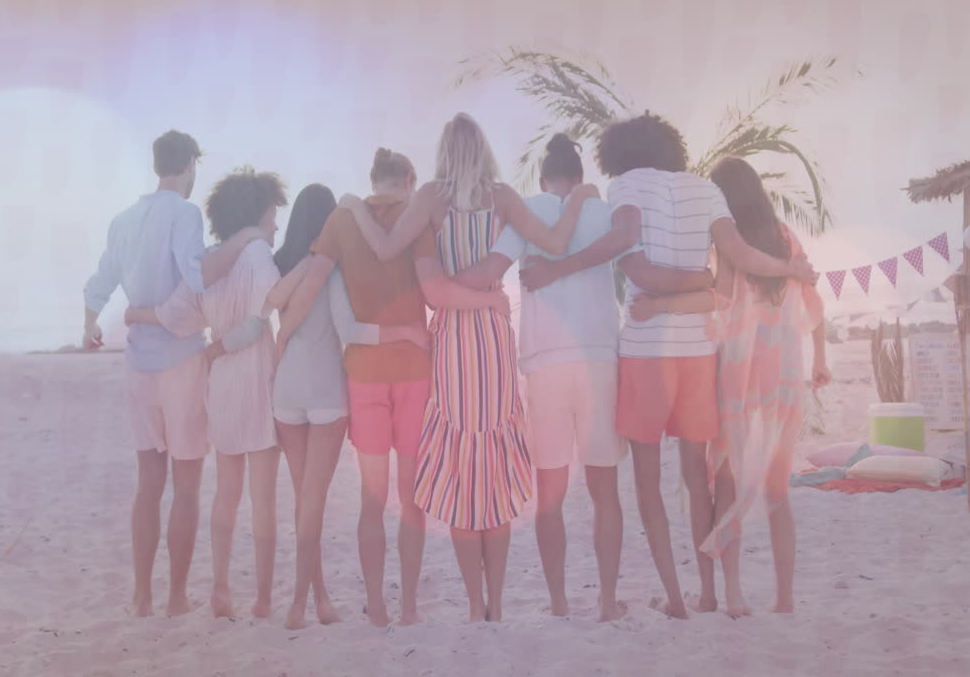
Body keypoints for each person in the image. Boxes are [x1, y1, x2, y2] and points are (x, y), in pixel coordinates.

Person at [522, 113, 817, 618]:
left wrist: (562, 269)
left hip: (646, 352)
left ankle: (677, 600)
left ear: (618, 153)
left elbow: (634, 265)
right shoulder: (705, 190)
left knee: (647, 484)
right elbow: (739, 253)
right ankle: (708, 592)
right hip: (697, 354)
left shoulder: (626, 186)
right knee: (697, 477)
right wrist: (779, 269)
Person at [342, 114, 594, 622]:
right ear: (483, 150)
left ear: (443, 151)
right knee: (493, 472)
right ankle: (496, 605)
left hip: (454, 341)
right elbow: (555, 241)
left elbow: (386, 247)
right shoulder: (502, 196)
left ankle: (477, 606)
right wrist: (582, 198)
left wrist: (351, 205)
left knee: (463, 473)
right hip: (493, 342)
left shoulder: (431, 197)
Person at [450, 134, 703, 621]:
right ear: (580, 178)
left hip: (543, 360)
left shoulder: (525, 209)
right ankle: (607, 602)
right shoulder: (604, 208)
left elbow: (492, 270)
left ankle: (560, 602)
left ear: (544, 178)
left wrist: (439, 283)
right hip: (598, 357)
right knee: (603, 489)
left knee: (551, 493)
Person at [632, 157, 829, 616]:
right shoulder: (784, 238)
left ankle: (734, 594)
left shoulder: (726, 241)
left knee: (725, 481)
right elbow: (813, 300)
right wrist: (819, 359)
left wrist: (660, 305)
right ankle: (784, 598)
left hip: (737, 378)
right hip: (782, 378)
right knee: (778, 491)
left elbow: (715, 299)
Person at [82, 130, 261, 618]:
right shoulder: (185, 213)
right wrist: (244, 239)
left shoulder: (123, 220)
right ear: (190, 166)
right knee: (186, 485)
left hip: (137, 365)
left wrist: (90, 321)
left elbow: (100, 281)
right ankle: (177, 597)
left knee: (148, 482)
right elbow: (197, 273)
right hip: (180, 362)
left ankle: (142, 596)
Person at [275, 148, 443, 627]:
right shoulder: (419, 219)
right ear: (409, 179)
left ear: (372, 181)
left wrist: (281, 333)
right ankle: (409, 606)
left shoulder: (342, 221)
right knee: (411, 496)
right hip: (413, 371)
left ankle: (378, 608)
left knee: (374, 498)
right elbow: (435, 289)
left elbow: (311, 282)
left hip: (365, 376)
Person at [124, 166, 288, 619]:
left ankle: (219, 589)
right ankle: (261, 598)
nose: (276, 224)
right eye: (273, 214)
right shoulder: (257, 256)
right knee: (263, 498)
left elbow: (176, 313)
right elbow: (260, 322)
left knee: (226, 493)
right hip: (255, 379)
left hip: (220, 385)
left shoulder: (211, 261)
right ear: (257, 214)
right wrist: (218, 347)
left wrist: (137, 314)